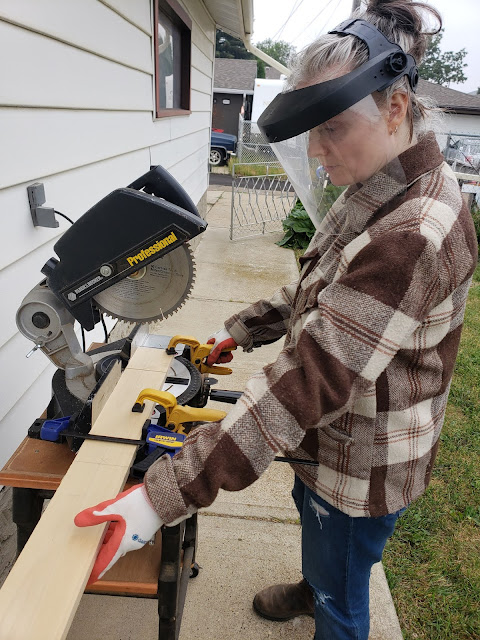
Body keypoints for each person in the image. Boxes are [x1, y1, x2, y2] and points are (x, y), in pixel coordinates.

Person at [75, 1, 478, 638]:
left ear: (396, 107)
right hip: (331, 440)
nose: (316, 151)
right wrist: (239, 331)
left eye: (333, 128)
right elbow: (321, 288)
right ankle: (313, 584)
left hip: (362, 459)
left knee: (343, 583)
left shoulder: (413, 233)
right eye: (312, 130)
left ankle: (327, 601)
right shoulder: (379, 182)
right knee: (317, 529)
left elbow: (306, 384)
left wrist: (160, 496)